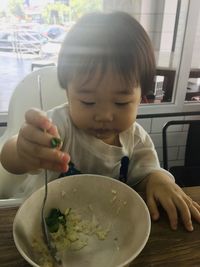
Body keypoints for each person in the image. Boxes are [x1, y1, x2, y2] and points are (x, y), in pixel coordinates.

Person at [1, 11, 200, 232]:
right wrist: (23, 151)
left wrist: (159, 180)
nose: (104, 115)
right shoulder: (58, 126)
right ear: (68, 93)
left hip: (107, 229)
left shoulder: (136, 138)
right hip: (46, 225)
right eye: (87, 101)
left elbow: (147, 173)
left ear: (141, 97)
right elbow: (9, 160)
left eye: (122, 102)